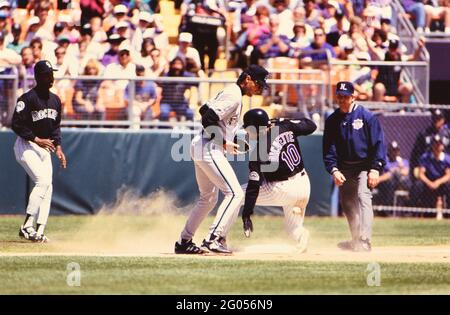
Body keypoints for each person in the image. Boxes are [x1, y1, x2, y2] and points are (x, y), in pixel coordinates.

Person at [174, 65, 269, 254]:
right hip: (209, 147)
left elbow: (203, 109)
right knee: (235, 193)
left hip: (204, 145)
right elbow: (207, 118)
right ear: (247, 79)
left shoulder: (232, 93)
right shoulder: (234, 94)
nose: (259, 88)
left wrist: (229, 140)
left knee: (208, 199)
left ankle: (184, 242)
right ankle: (213, 238)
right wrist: (223, 142)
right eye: (258, 83)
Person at [240, 109, 317, 253]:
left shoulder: (259, 151)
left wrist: (246, 214)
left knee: (236, 194)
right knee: (292, 230)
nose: (246, 131)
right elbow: (311, 125)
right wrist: (282, 120)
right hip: (304, 184)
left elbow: (253, 187)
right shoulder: (284, 126)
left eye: (248, 128)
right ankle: (302, 235)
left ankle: (219, 238)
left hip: (283, 189)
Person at [323, 81, 386, 252]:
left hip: (364, 166)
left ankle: (365, 240)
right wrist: (334, 170)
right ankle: (356, 239)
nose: (342, 100)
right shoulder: (332, 120)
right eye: (339, 96)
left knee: (363, 196)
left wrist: (375, 168)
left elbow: (378, 143)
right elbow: (329, 149)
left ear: (353, 96)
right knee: (348, 203)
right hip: (344, 167)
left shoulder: (367, 117)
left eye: (345, 96)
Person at [11, 60, 67, 243]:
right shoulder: (27, 99)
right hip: (26, 145)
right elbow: (16, 124)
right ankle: (27, 226)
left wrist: (58, 147)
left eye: (51, 74)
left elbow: (55, 128)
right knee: (42, 181)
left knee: (48, 186)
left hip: (45, 147)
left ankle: (40, 229)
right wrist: (36, 139)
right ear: (37, 77)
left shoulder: (56, 100)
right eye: (46, 74)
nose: (50, 78)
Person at [416, 134, 450, 208]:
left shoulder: (447, 159)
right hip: (428, 182)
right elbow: (421, 174)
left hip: (441, 183)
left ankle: (448, 213)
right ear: (431, 145)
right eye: (435, 143)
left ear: (443, 146)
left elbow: (448, 175)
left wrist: (438, 182)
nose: (437, 146)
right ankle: (414, 212)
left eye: (439, 143)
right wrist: (430, 183)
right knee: (418, 185)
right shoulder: (425, 157)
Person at [375, 141, 411, 206]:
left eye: (396, 150)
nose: (395, 153)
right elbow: (389, 172)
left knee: (398, 176)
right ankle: (386, 207)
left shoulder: (403, 161)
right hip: (387, 184)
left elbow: (406, 172)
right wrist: (396, 170)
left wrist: (400, 167)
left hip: (400, 183)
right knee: (391, 179)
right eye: (393, 150)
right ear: (389, 151)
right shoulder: (386, 160)